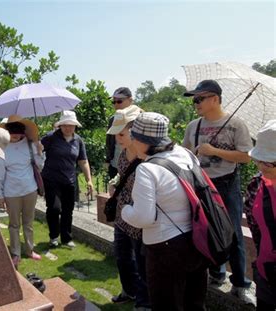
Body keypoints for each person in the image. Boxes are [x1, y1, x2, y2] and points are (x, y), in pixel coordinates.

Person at [122, 112, 208, 311]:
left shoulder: (148, 169)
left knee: (166, 304)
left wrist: (125, 209)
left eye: (134, 138)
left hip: (164, 248)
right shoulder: (187, 154)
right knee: (194, 303)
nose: (132, 143)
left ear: (143, 141)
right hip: (197, 241)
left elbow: (143, 217)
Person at [182, 79, 254, 304]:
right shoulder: (193, 126)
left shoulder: (236, 124)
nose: (196, 103)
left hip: (227, 183)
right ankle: (216, 273)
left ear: (215, 98)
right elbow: (185, 153)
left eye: (199, 98)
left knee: (233, 234)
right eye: (195, 99)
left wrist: (214, 150)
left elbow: (246, 156)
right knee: (207, 230)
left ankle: (241, 284)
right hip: (202, 184)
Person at [107, 106, 150, 310]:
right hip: (122, 216)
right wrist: (115, 183)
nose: (117, 138)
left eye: (121, 134)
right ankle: (128, 290)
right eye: (116, 134)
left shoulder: (148, 158)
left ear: (135, 131)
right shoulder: (123, 155)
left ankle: (143, 303)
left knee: (143, 264)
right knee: (122, 257)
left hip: (141, 219)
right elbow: (122, 176)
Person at [0, 115, 44, 268]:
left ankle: (30, 249)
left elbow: (40, 166)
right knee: (14, 224)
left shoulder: (31, 145)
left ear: (23, 132)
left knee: (28, 222)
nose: (15, 135)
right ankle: (16, 253)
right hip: (11, 193)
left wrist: (40, 152)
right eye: (11, 132)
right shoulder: (2, 148)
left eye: (17, 132)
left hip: (30, 190)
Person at [41, 111, 93, 248]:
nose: (68, 128)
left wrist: (89, 180)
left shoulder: (78, 140)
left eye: (71, 125)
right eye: (65, 125)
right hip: (51, 179)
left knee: (68, 210)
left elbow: (83, 161)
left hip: (69, 180)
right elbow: (37, 150)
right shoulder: (51, 137)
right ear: (60, 125)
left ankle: (66, 238)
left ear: (75, 126)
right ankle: (53, 236)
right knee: (54, 208)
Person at [244, 120, 276, 311]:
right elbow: (255, 228)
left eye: (269, 162)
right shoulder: (256, 185)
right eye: (258, 160)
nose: (261, 166)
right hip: (267, 271)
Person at [106, 87, 134, 179]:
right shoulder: (112, 120)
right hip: (115, 165)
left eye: (119, 101)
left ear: (130, 100)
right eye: (114, 102)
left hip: (133, 167)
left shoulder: (139, 120)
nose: (116, 105)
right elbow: (109, 142)